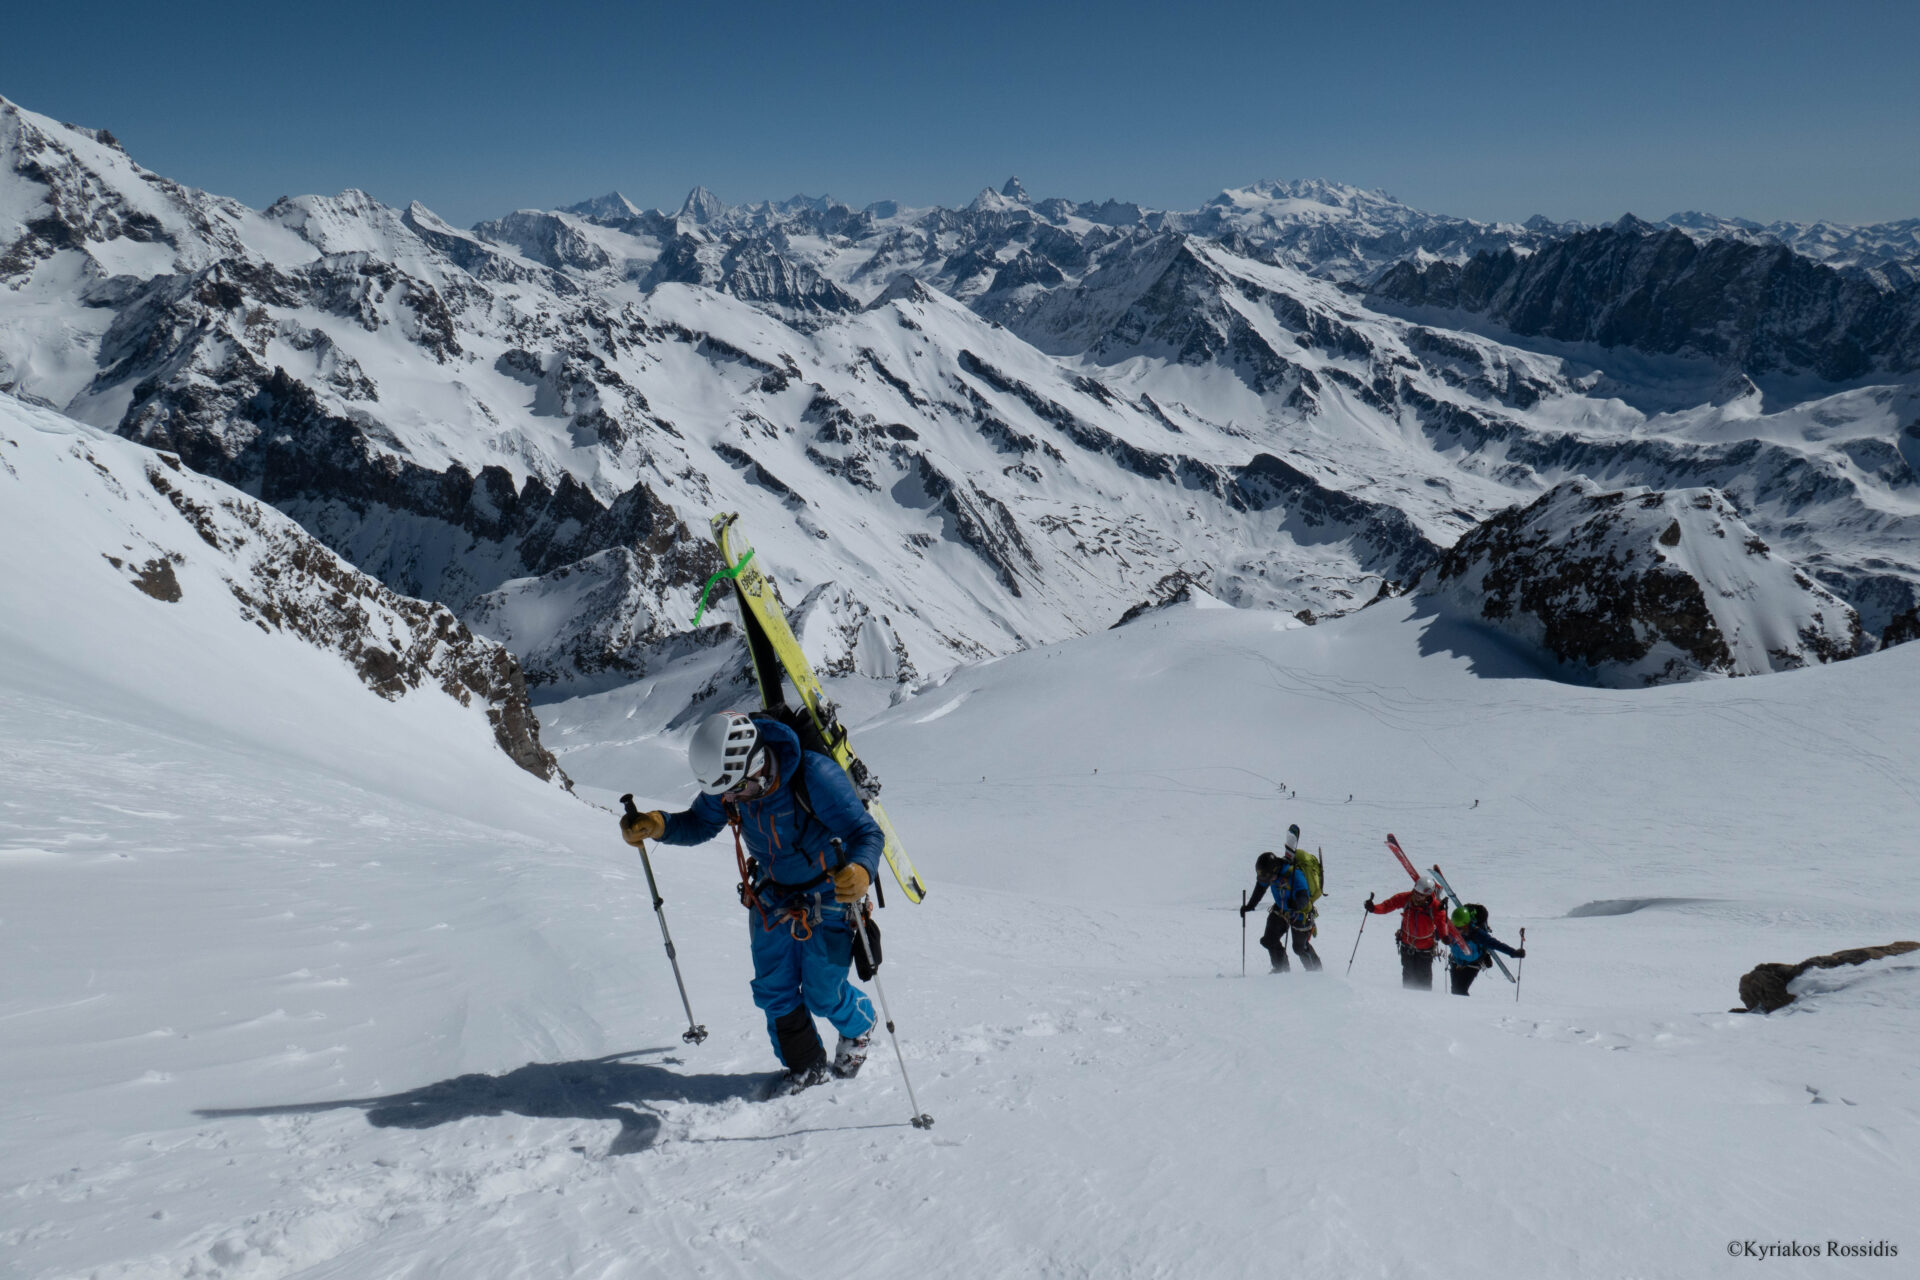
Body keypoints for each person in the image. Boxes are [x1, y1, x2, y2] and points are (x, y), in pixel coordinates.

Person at [621, 710, 881, 1094]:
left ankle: (860, 1027)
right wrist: (660, 825)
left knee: (823, 994)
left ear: (758, 765)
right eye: (723, 793)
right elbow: (700, 822)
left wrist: (861, 870)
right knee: (773, 990)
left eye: (737, 790)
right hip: (770, 895)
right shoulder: (732, 782)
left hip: (829, 895)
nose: (729, 800)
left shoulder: (814, 777)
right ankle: (805, 1066)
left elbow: (865, 832)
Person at [1239, 825, 1322, 972]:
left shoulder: (1294, 874)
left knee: (1299, 948)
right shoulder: (1269, 873)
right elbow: (1260, 888)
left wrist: (1295, 904)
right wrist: (1250, 905)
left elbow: (1304, 896)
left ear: (1275, 870)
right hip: (1281, 909)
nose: (1266, 880)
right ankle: (1281, 971)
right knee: (1269, 939)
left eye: (1267, 877)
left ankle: (1316, 972)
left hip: (1301, 913)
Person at [1364, 874, 1455, 990]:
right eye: (1416, 892)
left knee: (1424, 978)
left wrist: (1444, 936)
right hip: (1407, 945)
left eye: (1421, 895)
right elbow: (1388, 905)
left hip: (1425, 948)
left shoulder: (1436, 906)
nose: (1417, 896)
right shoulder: (1406, 898)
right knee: (1408, 976)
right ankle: (1408, 1000)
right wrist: (1374, 908)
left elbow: (1441, 923)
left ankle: (1425, 1002)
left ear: (1428, 895)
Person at [1444, 904, 1524, 996]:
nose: (1457, 931)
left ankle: (1465, 1009)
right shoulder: (1451, 930)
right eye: (1455, 928)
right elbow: (1438, 934)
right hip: (1456, 961)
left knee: (1460, 990)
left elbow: (1495, 944)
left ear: (1466, 924)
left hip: (1473, 963)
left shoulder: (1477, 933)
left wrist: (1513, 953)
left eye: (1459, 928)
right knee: (1455, 990)